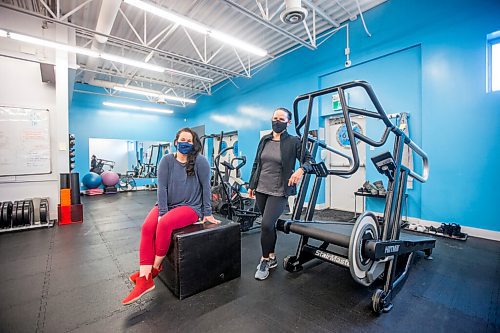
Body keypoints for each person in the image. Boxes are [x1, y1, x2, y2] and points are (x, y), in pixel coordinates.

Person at [122, 128, 220, 305]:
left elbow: (207, 187)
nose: (185, 143)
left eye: (189, 141)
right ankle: (145, 278)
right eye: (182, 139)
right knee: (147, 227)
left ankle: (154, 270)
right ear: (176, 142)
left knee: (165, 224)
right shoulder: (166, 160)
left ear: (193, 143)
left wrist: (207, 213)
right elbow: (162, 188)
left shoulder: (200, 161)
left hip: (191, 207)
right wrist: (162, 212)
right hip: (167, 203)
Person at [248, 107, 314, 280]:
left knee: (266, 224)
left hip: (279, 190)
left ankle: (264, 260)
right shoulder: (264, 140)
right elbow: (257, 163)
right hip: (261, 188)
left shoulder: (294, 141)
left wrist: (300, 170)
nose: (277, 121)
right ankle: (272, 257)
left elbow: (309, 161)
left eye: (281, 119)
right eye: (274, 118)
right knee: (269, 227)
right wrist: (251, 184)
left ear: (288, 122)